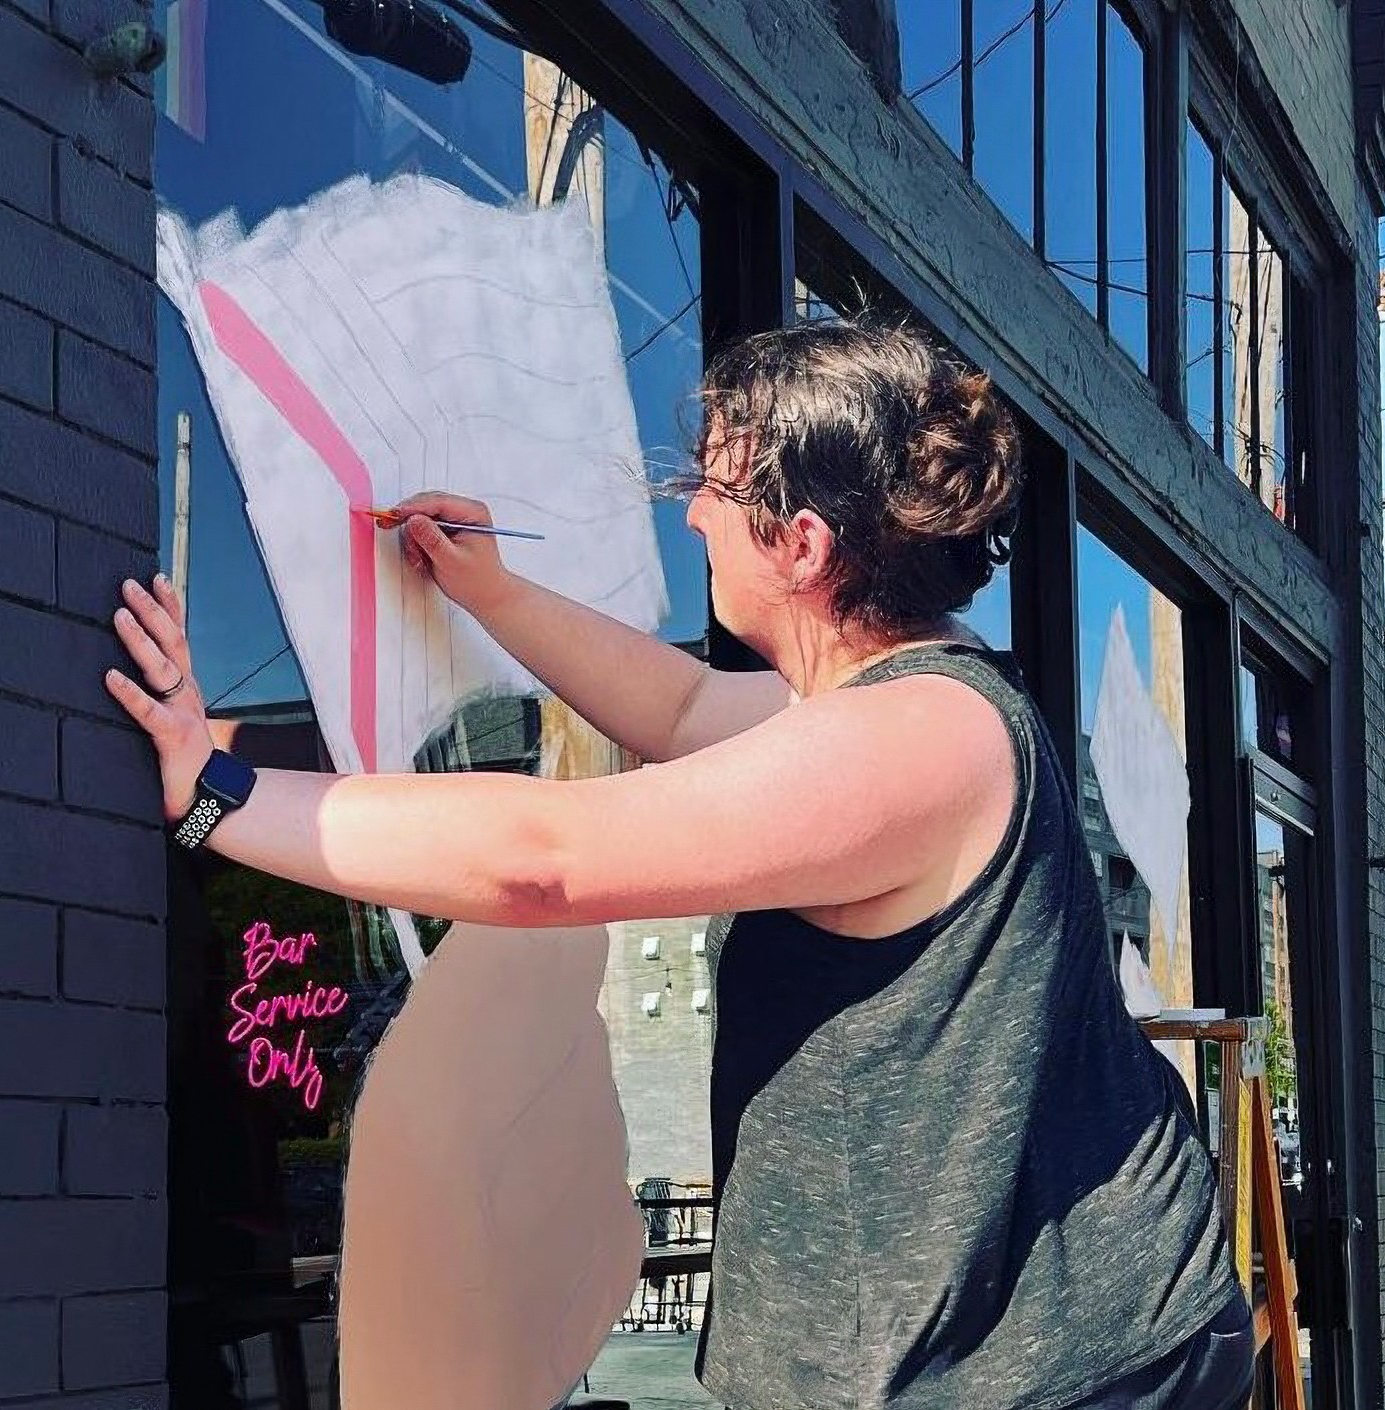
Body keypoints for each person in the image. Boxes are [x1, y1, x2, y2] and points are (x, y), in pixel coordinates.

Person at [106, 317, 1253, 1409]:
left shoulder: (923, 738)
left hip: (1054, 1363)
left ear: (801, 545)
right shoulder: (896, 699)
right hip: (972, 1345)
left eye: (715, 488)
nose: (695, 516)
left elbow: (546, 861)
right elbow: (681, 706)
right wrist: (487, 590)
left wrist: (216, 798)